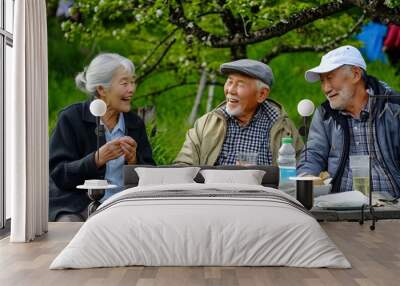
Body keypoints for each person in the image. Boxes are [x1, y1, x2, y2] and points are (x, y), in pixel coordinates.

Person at [49, 53, 155, 222]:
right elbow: (58, 174)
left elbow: (151, 176)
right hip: (78, 207)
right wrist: (96, 160)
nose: (131, 89)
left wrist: (134, 160)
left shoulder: (135, 124)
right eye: (124, 83)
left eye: (132, 81)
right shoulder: (72, 118)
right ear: (101, 89)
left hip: (124, 205)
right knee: (69, 224)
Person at [297, 45, 400, 199]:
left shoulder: (394, 108)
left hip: (393, 206)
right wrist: (305, 177)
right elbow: (313, 154)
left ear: (356, 74)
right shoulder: (325, 114)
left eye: (330, 78)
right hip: (341, 206)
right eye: (322, 81)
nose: (325, 88)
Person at [175, 59, 303, 166]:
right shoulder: (206, 124)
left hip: (263, 196)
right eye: (230, 82)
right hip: (213, 195)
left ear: (262, 94)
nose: (231, 90)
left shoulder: (284, 129)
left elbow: (300, 170)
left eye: (240, 85)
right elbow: (183, 166)